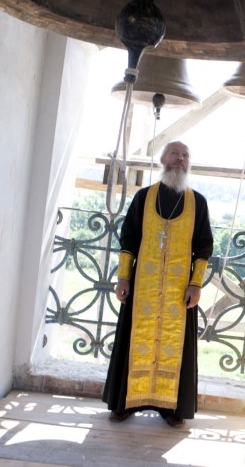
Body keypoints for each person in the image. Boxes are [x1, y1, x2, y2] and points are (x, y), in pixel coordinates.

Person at [103, 141, 213, 428]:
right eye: (175, 153)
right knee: (132, 340)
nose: (180, 159)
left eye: (186, 155)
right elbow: (128, 240)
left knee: (176, 348)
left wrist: (196, 284)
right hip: (144, 288)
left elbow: (203, 248)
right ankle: (124, 402)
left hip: (179, 292)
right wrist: (124, 278)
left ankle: (173, 406)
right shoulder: (143, 197)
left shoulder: (197, 202)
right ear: (163, 159)